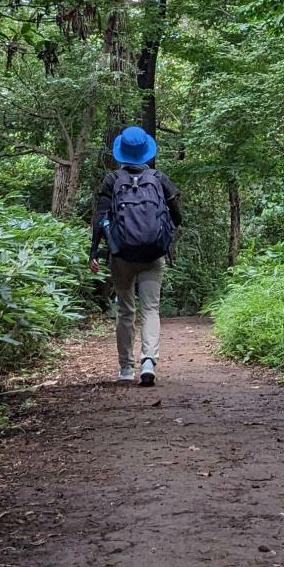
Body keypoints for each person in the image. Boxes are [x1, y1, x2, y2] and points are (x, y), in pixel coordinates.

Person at [90, 125, 182, 387]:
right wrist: (163, 234)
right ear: (145, 151)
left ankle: (125, 368)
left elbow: (100, 218)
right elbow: (177, 217)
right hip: (153, 254)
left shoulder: (112, 180)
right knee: (151, 308)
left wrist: (94, 252)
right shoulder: (159, 178)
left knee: (125, 309)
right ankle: (148, 361)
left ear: (122, 152)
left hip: (122, 256)